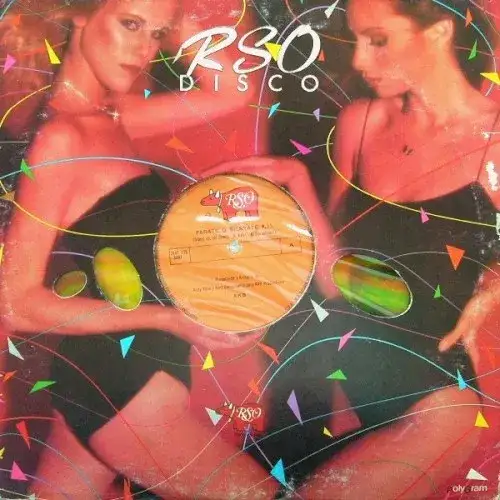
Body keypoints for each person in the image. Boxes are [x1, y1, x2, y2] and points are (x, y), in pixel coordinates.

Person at [201, 0, 500, 497]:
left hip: (439, 402)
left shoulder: (495, 140)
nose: (360, 60)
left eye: (378, 40)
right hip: (356, 380)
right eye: (357, 39)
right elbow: (336, 279)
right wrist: (297, 180)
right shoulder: (361, 123)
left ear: (439, 32)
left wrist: (493, 284)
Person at [0, 0, 278, 498]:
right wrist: (170, 320)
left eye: (156, 34)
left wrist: (180, 18)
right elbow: (16, 303)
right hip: (124, 382)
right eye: (130, 24)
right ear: (80, 13)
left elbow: (233, 90)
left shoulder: (114, 116)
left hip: (125, 375)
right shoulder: (62, 137)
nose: (144, 49)